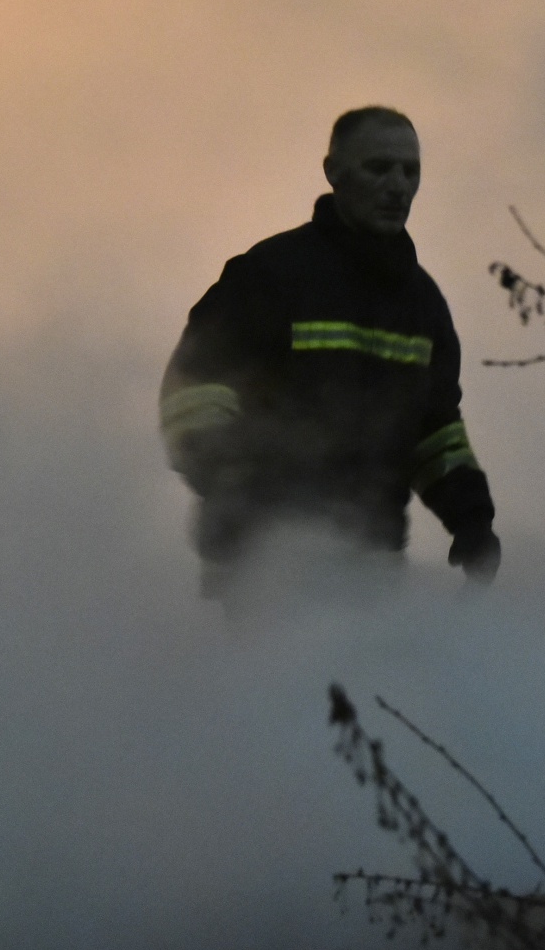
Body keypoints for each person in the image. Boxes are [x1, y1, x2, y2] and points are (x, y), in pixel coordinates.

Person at [159, 106, 501, 589]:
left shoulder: (423, 307)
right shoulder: (270, 276)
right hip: (260, 566)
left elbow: (437, 433)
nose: (398, 185)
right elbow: (191, 396)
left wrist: (470, 519)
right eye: (379, 168)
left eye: (411, 171)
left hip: (372, 570)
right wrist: (231, 486)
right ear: (334, 173)